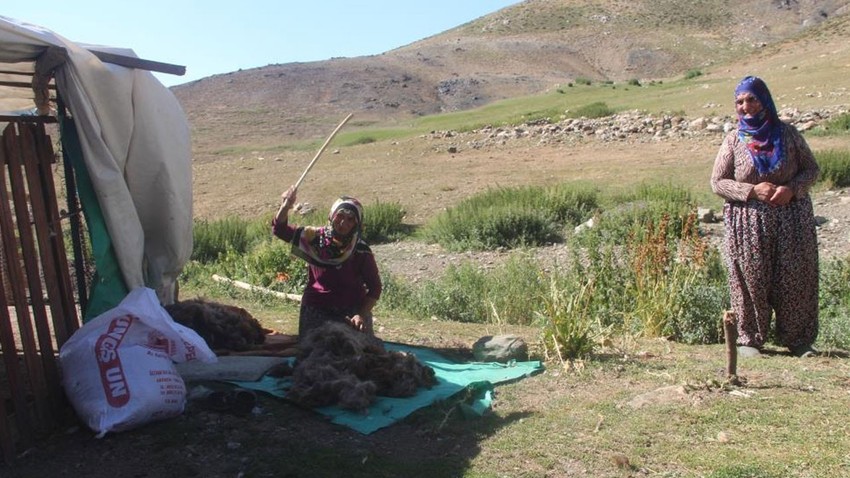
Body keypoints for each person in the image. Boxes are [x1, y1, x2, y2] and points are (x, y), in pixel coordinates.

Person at [710, 75, 820, 358]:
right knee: (750, 278)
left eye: (751, 99)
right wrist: (751, 190)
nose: (745, 106)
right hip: (748, 225)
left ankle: (799, 342)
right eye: (739, 101)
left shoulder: (789, 135)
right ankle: (750, 339)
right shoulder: (734, 140)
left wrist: (792, 189)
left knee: (796, 277)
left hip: (792, 220)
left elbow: (811, 170)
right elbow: (718, 182)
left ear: (765, 101)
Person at [272, 185, 382, 338]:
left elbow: (375, 288)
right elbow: (280, 229)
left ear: (357, 224)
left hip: (352, 314)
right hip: (316, 310)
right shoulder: (313, 238)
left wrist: (361, 315)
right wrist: (286, 206)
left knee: (360, 356)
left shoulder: (360, 251)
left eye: (350, 219)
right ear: (331, 215)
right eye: (340, 216)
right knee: (313, 353)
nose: (344, 223)